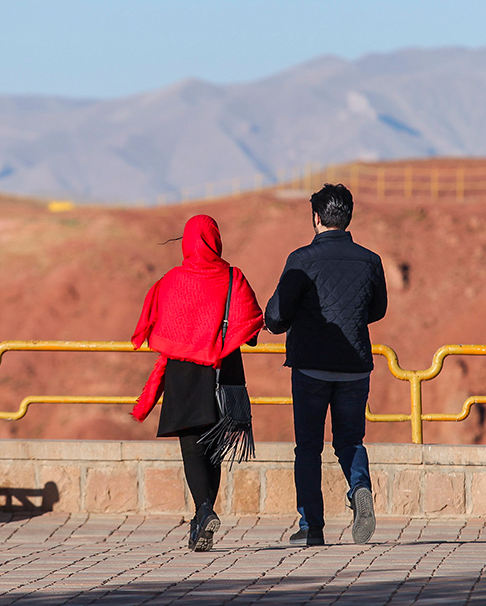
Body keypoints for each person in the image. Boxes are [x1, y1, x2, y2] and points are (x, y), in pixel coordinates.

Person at [265, 183, 387, 546]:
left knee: (308, 447)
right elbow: (377, 310)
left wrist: (282, 322)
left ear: (316, 218)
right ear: (347, 217)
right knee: (350, 439)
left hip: (311, 367)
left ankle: (311, 527)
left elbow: (277, 315)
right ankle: (359, 488)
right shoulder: (370, 260)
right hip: (355, 367)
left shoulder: (301, 259)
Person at [132, 214, 263, 552]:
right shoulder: (233, 277)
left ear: (187, 242)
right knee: (214, 452)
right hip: (225, 371)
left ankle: (203, 511)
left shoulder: (171, 281)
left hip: (184, 372)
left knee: (191, 448)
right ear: (216, 240)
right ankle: (199, 519)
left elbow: (153, 325)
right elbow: (249, 330)